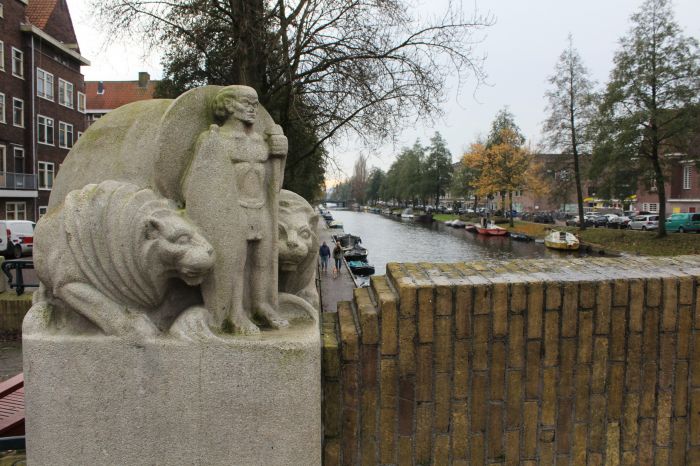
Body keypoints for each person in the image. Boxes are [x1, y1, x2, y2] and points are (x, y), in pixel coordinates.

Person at [184, 85, 288, 335]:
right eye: (246, 103)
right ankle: (235, 313)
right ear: (229, 105)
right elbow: (194, 182)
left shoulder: (260, 140)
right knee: (236, 263)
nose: (253, 109)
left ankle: (260, 305)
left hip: (260, 207)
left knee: (262, 261)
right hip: (233, 210)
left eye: (255, 103)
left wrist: (279, 156)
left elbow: (274, 184)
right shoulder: (214, 139)